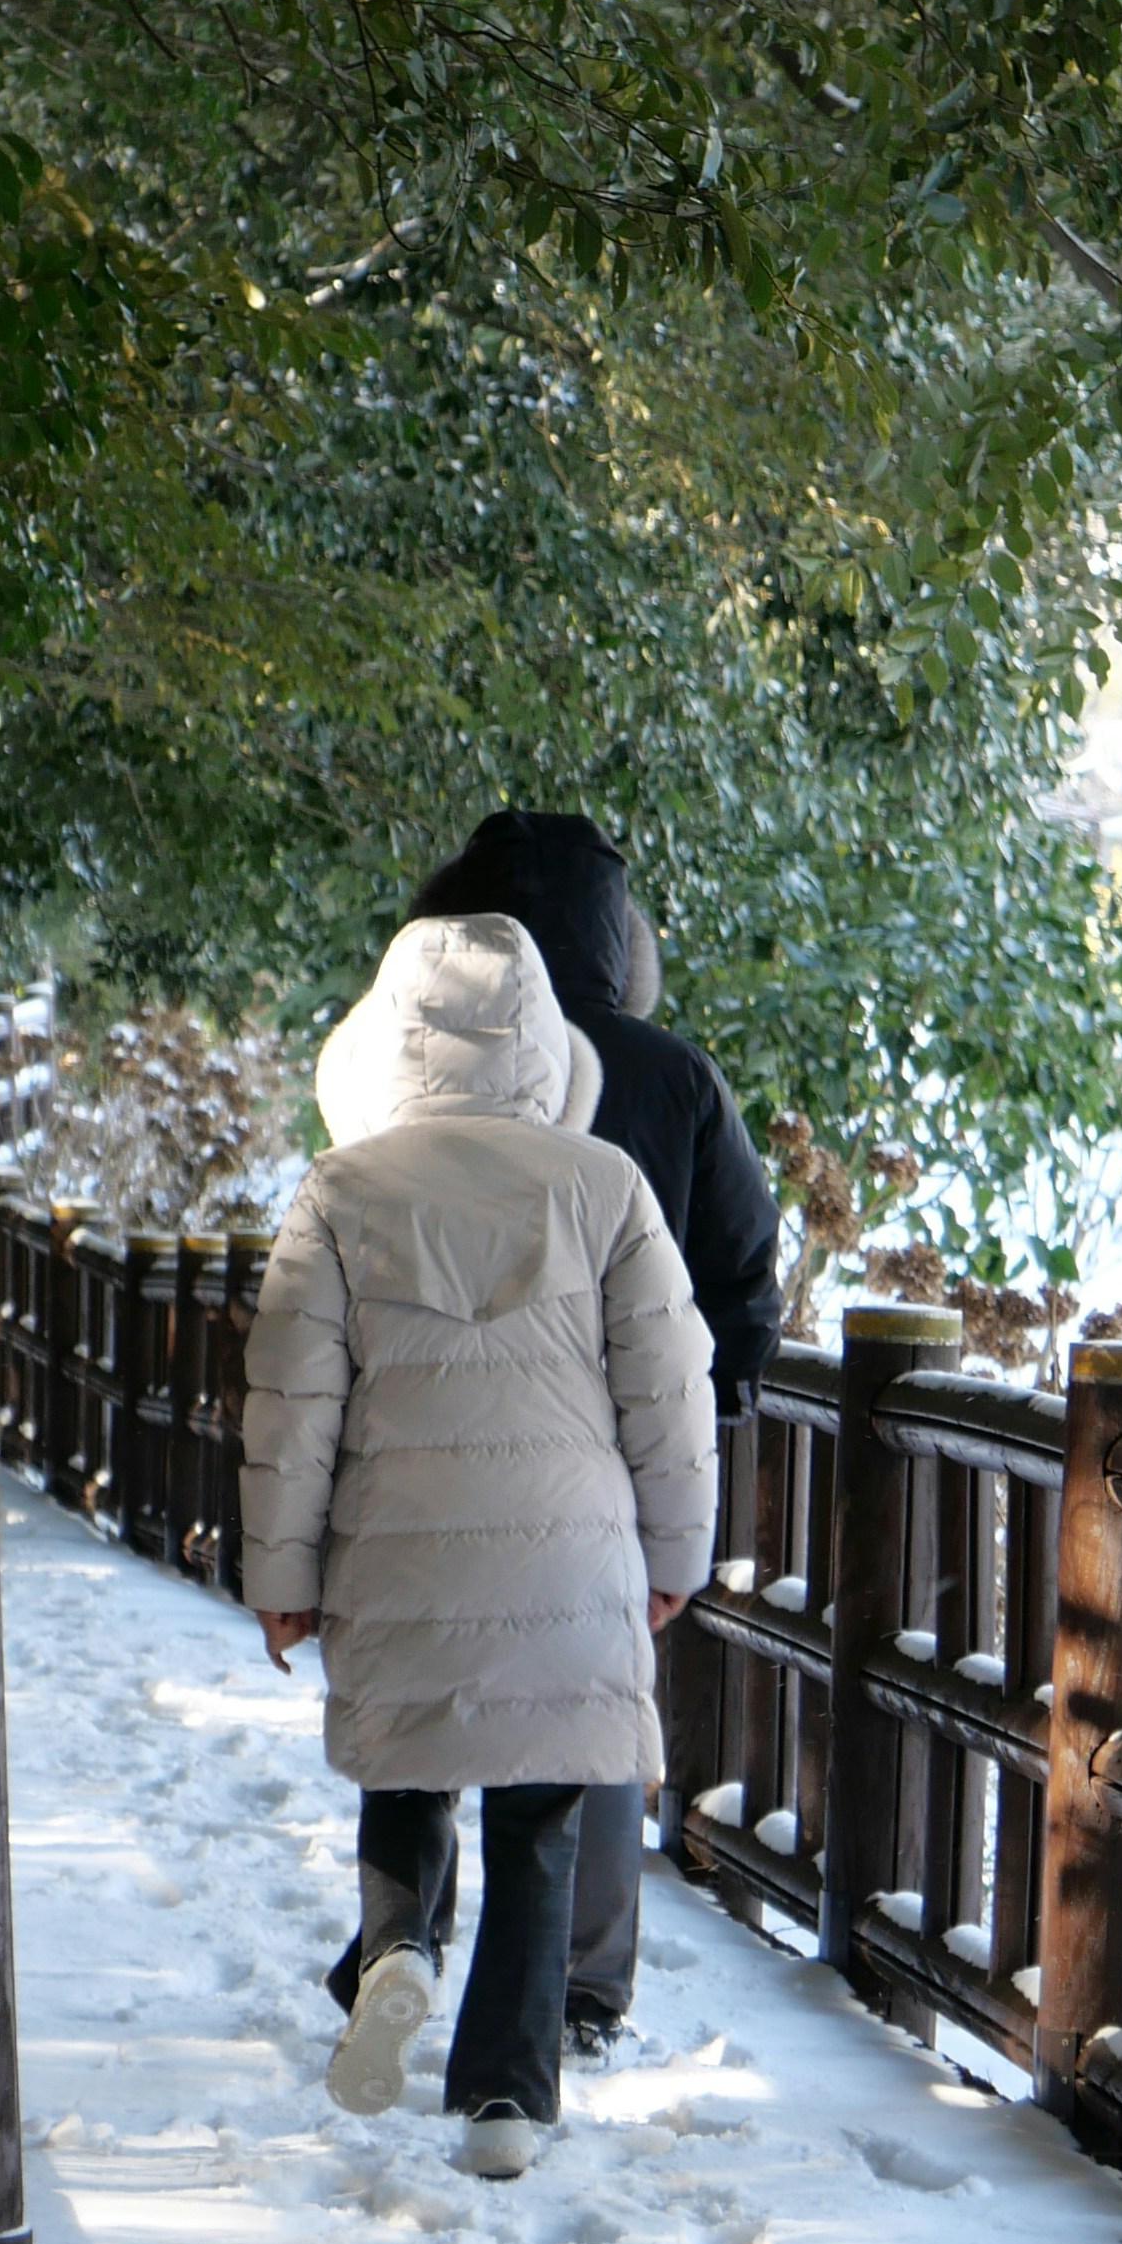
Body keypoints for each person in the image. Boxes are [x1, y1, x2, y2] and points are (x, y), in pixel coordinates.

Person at [242, 914, 719, 2179]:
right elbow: (670, 1390)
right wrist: (675, 1552)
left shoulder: (340, 1191)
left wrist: (282, 1582)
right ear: (541, 1042)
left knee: (405, 1766)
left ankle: (396, 1945)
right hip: (569, 1556)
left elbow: (290, 1406)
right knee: (540, 1813)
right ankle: (505, 2097)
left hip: (393, 1549)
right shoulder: (603, 1184)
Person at [403, 810, 778, 2056]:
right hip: (609, 1451)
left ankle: (404, 1931)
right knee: (594, 1704)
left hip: (437, 1433)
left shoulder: (417, 1070)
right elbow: (743, 1264)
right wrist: (706, 1406)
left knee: (429, 1670)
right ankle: (576, 1987)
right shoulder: (671, 1076)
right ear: (620, 937)